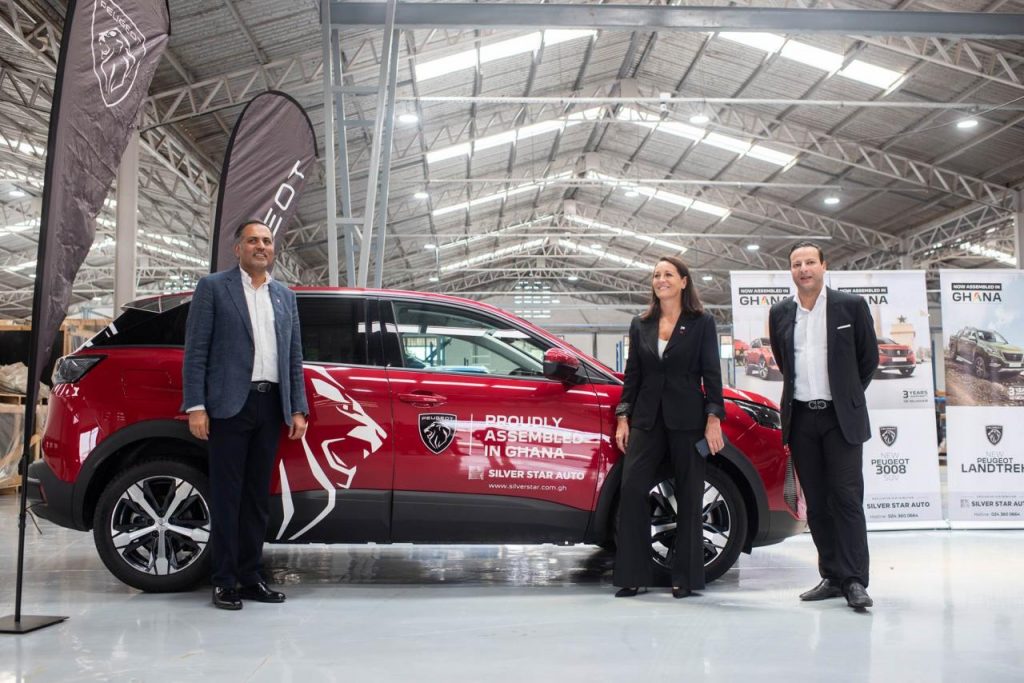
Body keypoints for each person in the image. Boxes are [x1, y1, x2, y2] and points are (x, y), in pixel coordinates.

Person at [183, 220, 309, 611]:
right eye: (253, 240)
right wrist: (196, 406)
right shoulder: (213, 288)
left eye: (267, 241)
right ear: (237, 248)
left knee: (256, 498)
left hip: (270, 407)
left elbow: (293, 356)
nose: (261, 246)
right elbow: (196, 351)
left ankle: (251, 577)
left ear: (273, 250)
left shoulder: (284, 296)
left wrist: (298, 407)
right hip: (228, 407)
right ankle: (224, 580)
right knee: (227, 496)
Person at [768, 241, 878, 610]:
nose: (804, 269)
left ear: (823, 266)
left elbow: (868, 359)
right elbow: (784, 361)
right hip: (801, 418)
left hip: (839, 418)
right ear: (791, 271)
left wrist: (846, 397)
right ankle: (831, 575)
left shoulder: (851, 306)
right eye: (797, 264)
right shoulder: (780, 313)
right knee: (816, 503)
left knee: (846, 498)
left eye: (810, 262)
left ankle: (854, 580)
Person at [613, 256, 725, 599]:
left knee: (690, 494)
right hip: (646, 419)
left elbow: (712, 373)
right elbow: (633, 374)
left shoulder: (702, 322)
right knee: (632, 489)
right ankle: (633, 574)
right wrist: (623, 416)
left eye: (668, 274)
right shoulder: (641, 323)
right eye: (656, 275)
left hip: (688, 419)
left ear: (683, 281)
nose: (661, 280)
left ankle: (685, 577)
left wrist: (713, 419)